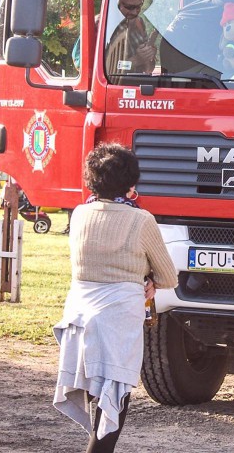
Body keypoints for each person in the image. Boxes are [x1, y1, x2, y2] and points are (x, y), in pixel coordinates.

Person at [53, 143, 177, 452]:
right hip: (117, 316)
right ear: (131, 181)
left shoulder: (80, 214)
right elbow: (168, 276)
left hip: (79, 312)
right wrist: (148, 280)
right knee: (115, 394)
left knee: (96, 390)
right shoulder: (141, 220)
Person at [105, 0, 159, 77]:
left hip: (138, 84)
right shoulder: (104, 27)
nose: (135, 12)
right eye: (130, 7)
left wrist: (149, 55)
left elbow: (149, 69)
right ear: (116, 4)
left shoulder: (139, 23)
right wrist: (137, 60)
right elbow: (107, 68)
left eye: (139, 6)